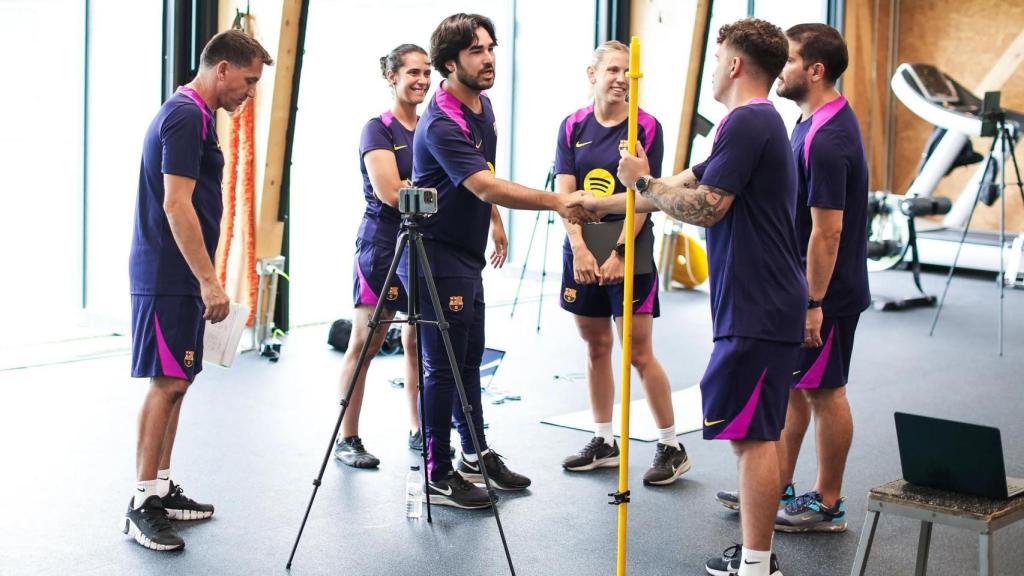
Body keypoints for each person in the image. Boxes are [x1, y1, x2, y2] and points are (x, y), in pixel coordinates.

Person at [575, 18, 804, 576]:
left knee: (751, 438)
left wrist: (640, 183)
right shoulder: (747, 124)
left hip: (757, 305)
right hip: (764, 302)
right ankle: (758, 555)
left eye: (718, 52)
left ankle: (754, 564)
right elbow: (686, 182)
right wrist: (608, 202)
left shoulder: (749, 123)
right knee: (762, 432)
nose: (713, 64)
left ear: (732, 65)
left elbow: (707, 206)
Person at [401, 12, 593, 510]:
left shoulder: (481, 106)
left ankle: (474, 453)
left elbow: (480, 175)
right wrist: (554, 200)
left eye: (491, 48)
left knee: (470, 362)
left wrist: (494, 221)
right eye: (476, 51)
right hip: (434, 254)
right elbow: (482, 183)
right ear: (450, 63)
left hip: (463, 252)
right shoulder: (442, 118)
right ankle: (438, 475)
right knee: (442, 368)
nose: (489, 59)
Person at [125, 30, 272, 551]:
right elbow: (175, 203)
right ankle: (141, 501)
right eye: (248, 81)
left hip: (182, 276)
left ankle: (161, 487)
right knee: (165, 383)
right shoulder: (186, 114)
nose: (249, 93)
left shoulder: (200, 116)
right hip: (169, 276)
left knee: (180, 381)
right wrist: (210, 280)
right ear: (223, 69)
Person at [336, 44, 509, 468]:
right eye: (412, 72)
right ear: (391, 76)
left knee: (421, 342)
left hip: (428, 246)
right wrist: (444, 192)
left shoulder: (437, 121)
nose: (422, 80)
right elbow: (391, 191)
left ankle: (420, 431)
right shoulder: (378, 130)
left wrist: (494, 219)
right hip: (383, 246)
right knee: (367, 340)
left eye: (426, 73)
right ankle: (349, 437)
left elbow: (473, 176)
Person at [554, 40, 689, 486]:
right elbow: (566, 195)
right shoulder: (572, 126)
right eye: (613, 70)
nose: (621, 80)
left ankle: (671, 445)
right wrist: (580, 247)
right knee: (594, 347)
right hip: (584, 250)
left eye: (629, 74)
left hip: (629, 249)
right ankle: (603, 441)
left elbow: (646, 196)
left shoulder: (645, 126)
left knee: (637, 351)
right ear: (592, 74)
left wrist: (618, 254)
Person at [770, 23, 868, 533]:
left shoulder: (828, 137)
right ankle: (776, 484)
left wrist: (813, 301)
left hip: (827, 292)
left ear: (815, 70)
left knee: (826, 392)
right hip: (803, 286)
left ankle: (828, 503)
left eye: (787, 61)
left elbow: (827, 232)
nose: (779, 71)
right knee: (793, 389)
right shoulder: (806, 120)